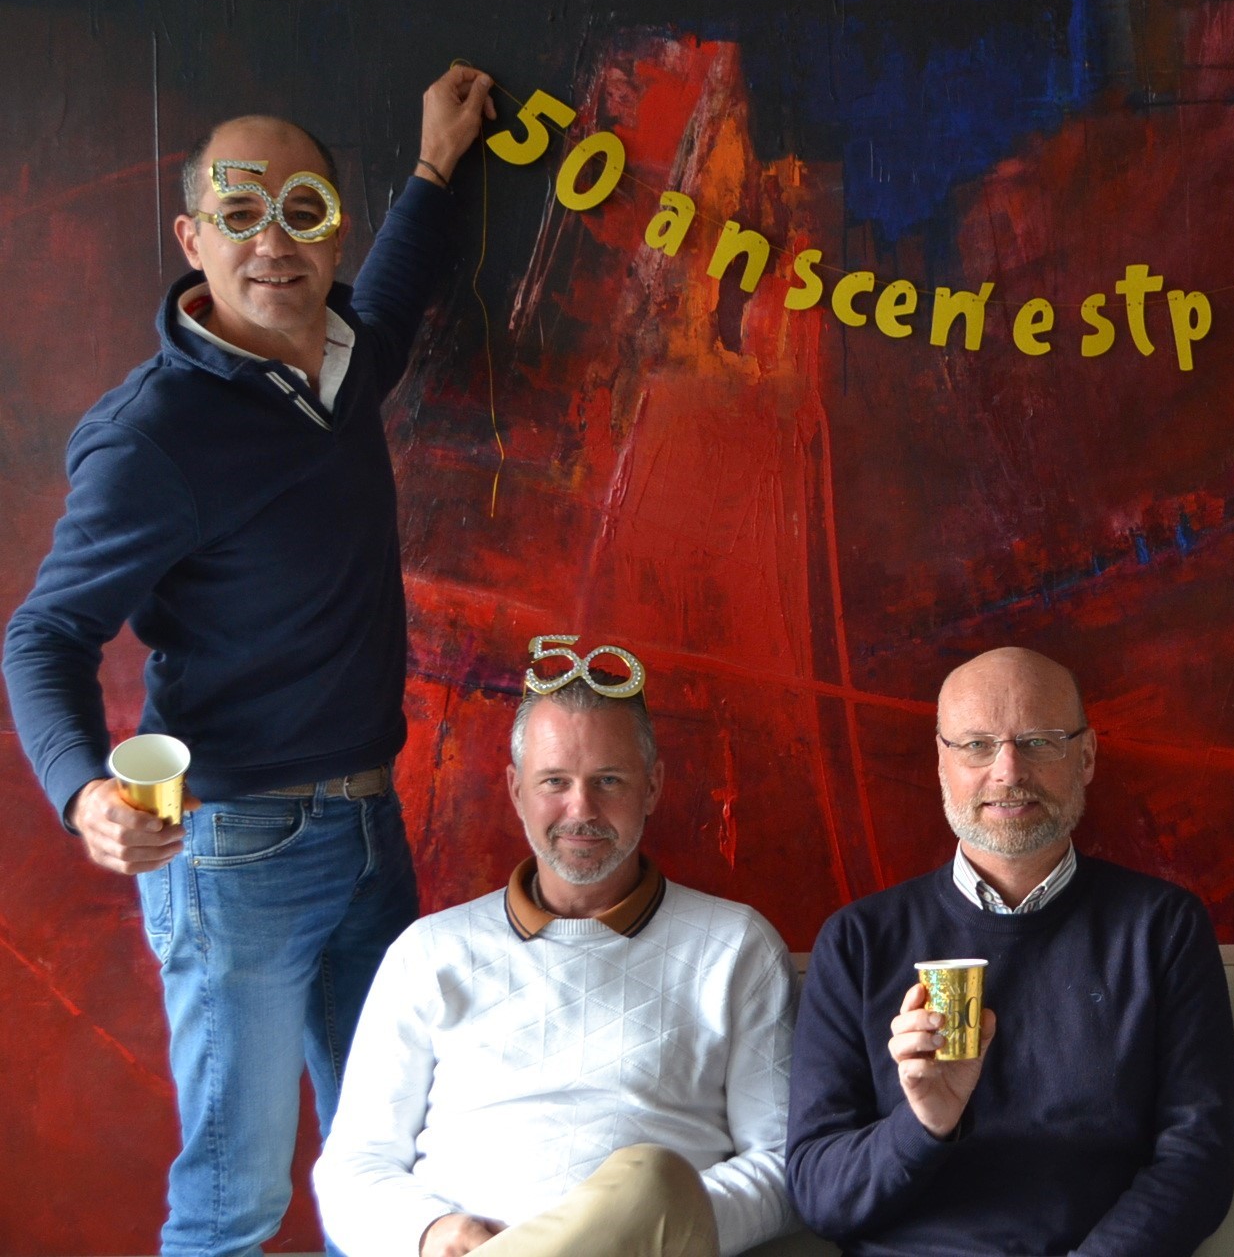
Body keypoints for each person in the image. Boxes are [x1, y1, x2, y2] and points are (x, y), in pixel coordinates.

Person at [3, 64, 494, 1257]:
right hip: (234, 856)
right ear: (193, 238)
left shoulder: (340, 360)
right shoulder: (153, 434)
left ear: (333, 228)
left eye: (302, 212)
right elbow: (46, 633)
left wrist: (435, 166)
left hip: (370, 828)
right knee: (233, 1203)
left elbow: (394, 296)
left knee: (390, 1175)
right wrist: (83, 792)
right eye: (239, 213)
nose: (273, 242)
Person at [314, 640, 797, 1257]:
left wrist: (653, 1226)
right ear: (516, 789)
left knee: (649, 1178)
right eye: (554, 782)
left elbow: (782, 1163)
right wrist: (435, 1231)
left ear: (652, 786)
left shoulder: (735, 947)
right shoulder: (428, 953)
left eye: (608, 781)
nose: (581, 809)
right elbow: (354, 1164)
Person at [785, 646, 1234, 1257]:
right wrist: (925, 1124)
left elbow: (1197, 1164)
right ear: (941, 763)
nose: (1007, 771)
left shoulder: (1163, 928)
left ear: (1086, 757)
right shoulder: (858, 942)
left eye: (1039, 742)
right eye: (977, 745)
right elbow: (819, 1196)